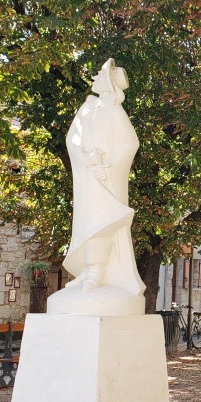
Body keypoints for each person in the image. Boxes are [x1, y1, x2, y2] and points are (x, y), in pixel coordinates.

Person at [63, 58, 145, 296]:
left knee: (102, 223)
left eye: (100, 74)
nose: (95, 77)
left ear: (109, 83)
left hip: (106, 178)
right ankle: (87, 272)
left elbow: (130, 143)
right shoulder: (88, 108)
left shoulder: (115, 111)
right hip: (88, 176)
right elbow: (72, 138)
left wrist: (108, 166)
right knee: (88, 222)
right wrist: (87, 159)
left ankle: (96, 271)